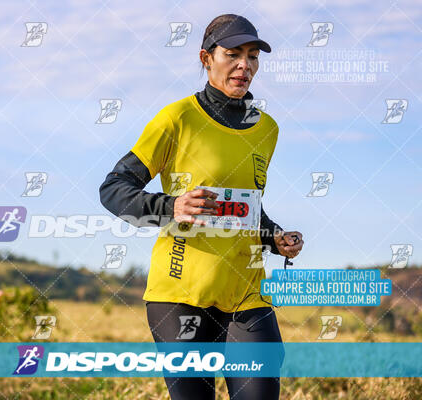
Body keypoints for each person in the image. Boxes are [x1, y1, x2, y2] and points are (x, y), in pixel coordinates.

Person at [99, 14, 304, 400]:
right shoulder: (177, 119)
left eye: (253, 56)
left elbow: (245, 207)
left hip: (247, 292)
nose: (245, 65)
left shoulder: (267, 128)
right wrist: (171, 206)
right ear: (206, 58)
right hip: (180, 294)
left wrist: (274, 237)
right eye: (233, 54)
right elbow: (113, 189)